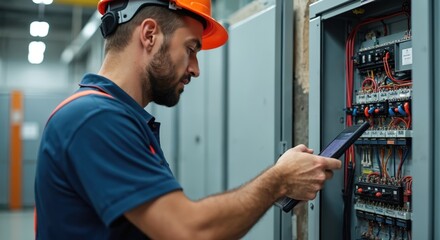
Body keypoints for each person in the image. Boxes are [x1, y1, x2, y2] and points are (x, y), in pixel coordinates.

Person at [34, 0, 342, 239]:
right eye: (191, 48)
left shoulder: (111, 115)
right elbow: (188, 231)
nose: (195, 68)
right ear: (150, 35)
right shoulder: (95, 120)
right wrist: (279, 180)